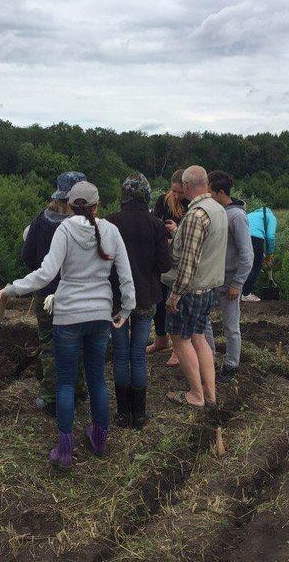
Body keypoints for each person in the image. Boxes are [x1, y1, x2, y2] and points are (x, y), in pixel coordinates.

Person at [0, 181, 135, 469]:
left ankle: (65, 449)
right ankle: (99, 439)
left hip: (68, 317)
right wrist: (127, 308)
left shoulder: (64, 231)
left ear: (70, 205)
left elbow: (45, 274)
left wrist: (11, 289)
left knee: (66, 382)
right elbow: (125, 275)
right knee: (96, 379)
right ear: (98, 204)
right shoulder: (112, 231)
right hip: (100, 316)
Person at [106, 173, 172, 429]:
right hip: (146, 297)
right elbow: (165, 264)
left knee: (121, 354)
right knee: (138, 355)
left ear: (124, 194)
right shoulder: (155, 224)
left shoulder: (110, 222)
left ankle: (122, 414)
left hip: (116, 299)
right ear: (146, 194)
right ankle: (140, 415)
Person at [21, 171, 89, 417]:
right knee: (78, 343)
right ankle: (78, 392)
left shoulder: (41, 220)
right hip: (78, 294)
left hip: (46, 293)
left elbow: (28, 257)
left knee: (50, 345)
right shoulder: (87, 226)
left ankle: (51, 396)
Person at [161, 166, 228, 409]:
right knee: (199, 338)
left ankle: (196, 395)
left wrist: (176, 294)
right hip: (209, 289)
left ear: (188, 186)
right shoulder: (219, 210)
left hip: (190, 291)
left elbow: (189, 261)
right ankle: (210, 395)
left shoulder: (196, 215)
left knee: (181, 340)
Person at [208, 171, 254, 384]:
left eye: (211, 191)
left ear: (220, 192)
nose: (207, 194)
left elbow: (247, 253)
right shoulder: (218, 212)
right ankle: (209, 358)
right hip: (213, 276)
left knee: (230, 325)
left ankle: (231, 365)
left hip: (229, 280)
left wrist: (238, 283)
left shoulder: (237, 216)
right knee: (202, 319)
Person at [148, 169, 190, 367]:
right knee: (159, 300)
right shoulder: (163, 201)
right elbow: (155, 221)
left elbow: (191, 236)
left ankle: (177, 348)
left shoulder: (192, 205)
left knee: (175, 303)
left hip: (180, 259)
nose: (176, 195)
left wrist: (176, 232)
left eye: (179, 192)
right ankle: (161, 338)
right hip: (163, 255)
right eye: (173, 191)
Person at [242, 205, 277, 302]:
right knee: (255, 266)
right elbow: (270, 236)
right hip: (256, 239)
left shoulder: (250, 214)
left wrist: (263, 254)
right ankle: (246, 293)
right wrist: (269, 254)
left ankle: (237, 291)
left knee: (243, 266)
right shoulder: (271, 217)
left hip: (241, 238)